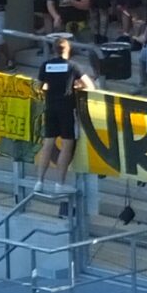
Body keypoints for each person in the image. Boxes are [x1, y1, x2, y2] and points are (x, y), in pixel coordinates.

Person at [33, 35, 95, 193]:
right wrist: (77, 87)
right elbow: (90, 86)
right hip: (68, 109)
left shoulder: (46, 65)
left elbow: (39, 87)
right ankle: (59, 184)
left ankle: (39, 181)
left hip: (50, 108)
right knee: (67, 146)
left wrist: (50, 88)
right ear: (68, 50)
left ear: (54, 50)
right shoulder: (73, 66)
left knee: (48, 144)